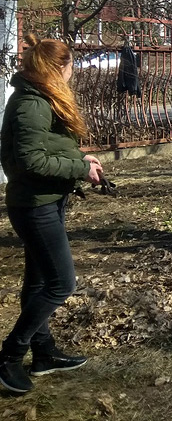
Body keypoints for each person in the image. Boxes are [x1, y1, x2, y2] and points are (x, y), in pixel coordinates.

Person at [0, 35, 104, 395]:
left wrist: (81, 159)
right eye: (71, 66)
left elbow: (47, 148)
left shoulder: (41, 97)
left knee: (38, 281)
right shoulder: (31, 103)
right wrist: (78, 167)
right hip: (34, 205)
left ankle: (43, 353)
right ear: (59, 67)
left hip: (47, 200)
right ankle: (10, 355)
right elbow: (30, 161)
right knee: (62, 283)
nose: (72, 72)